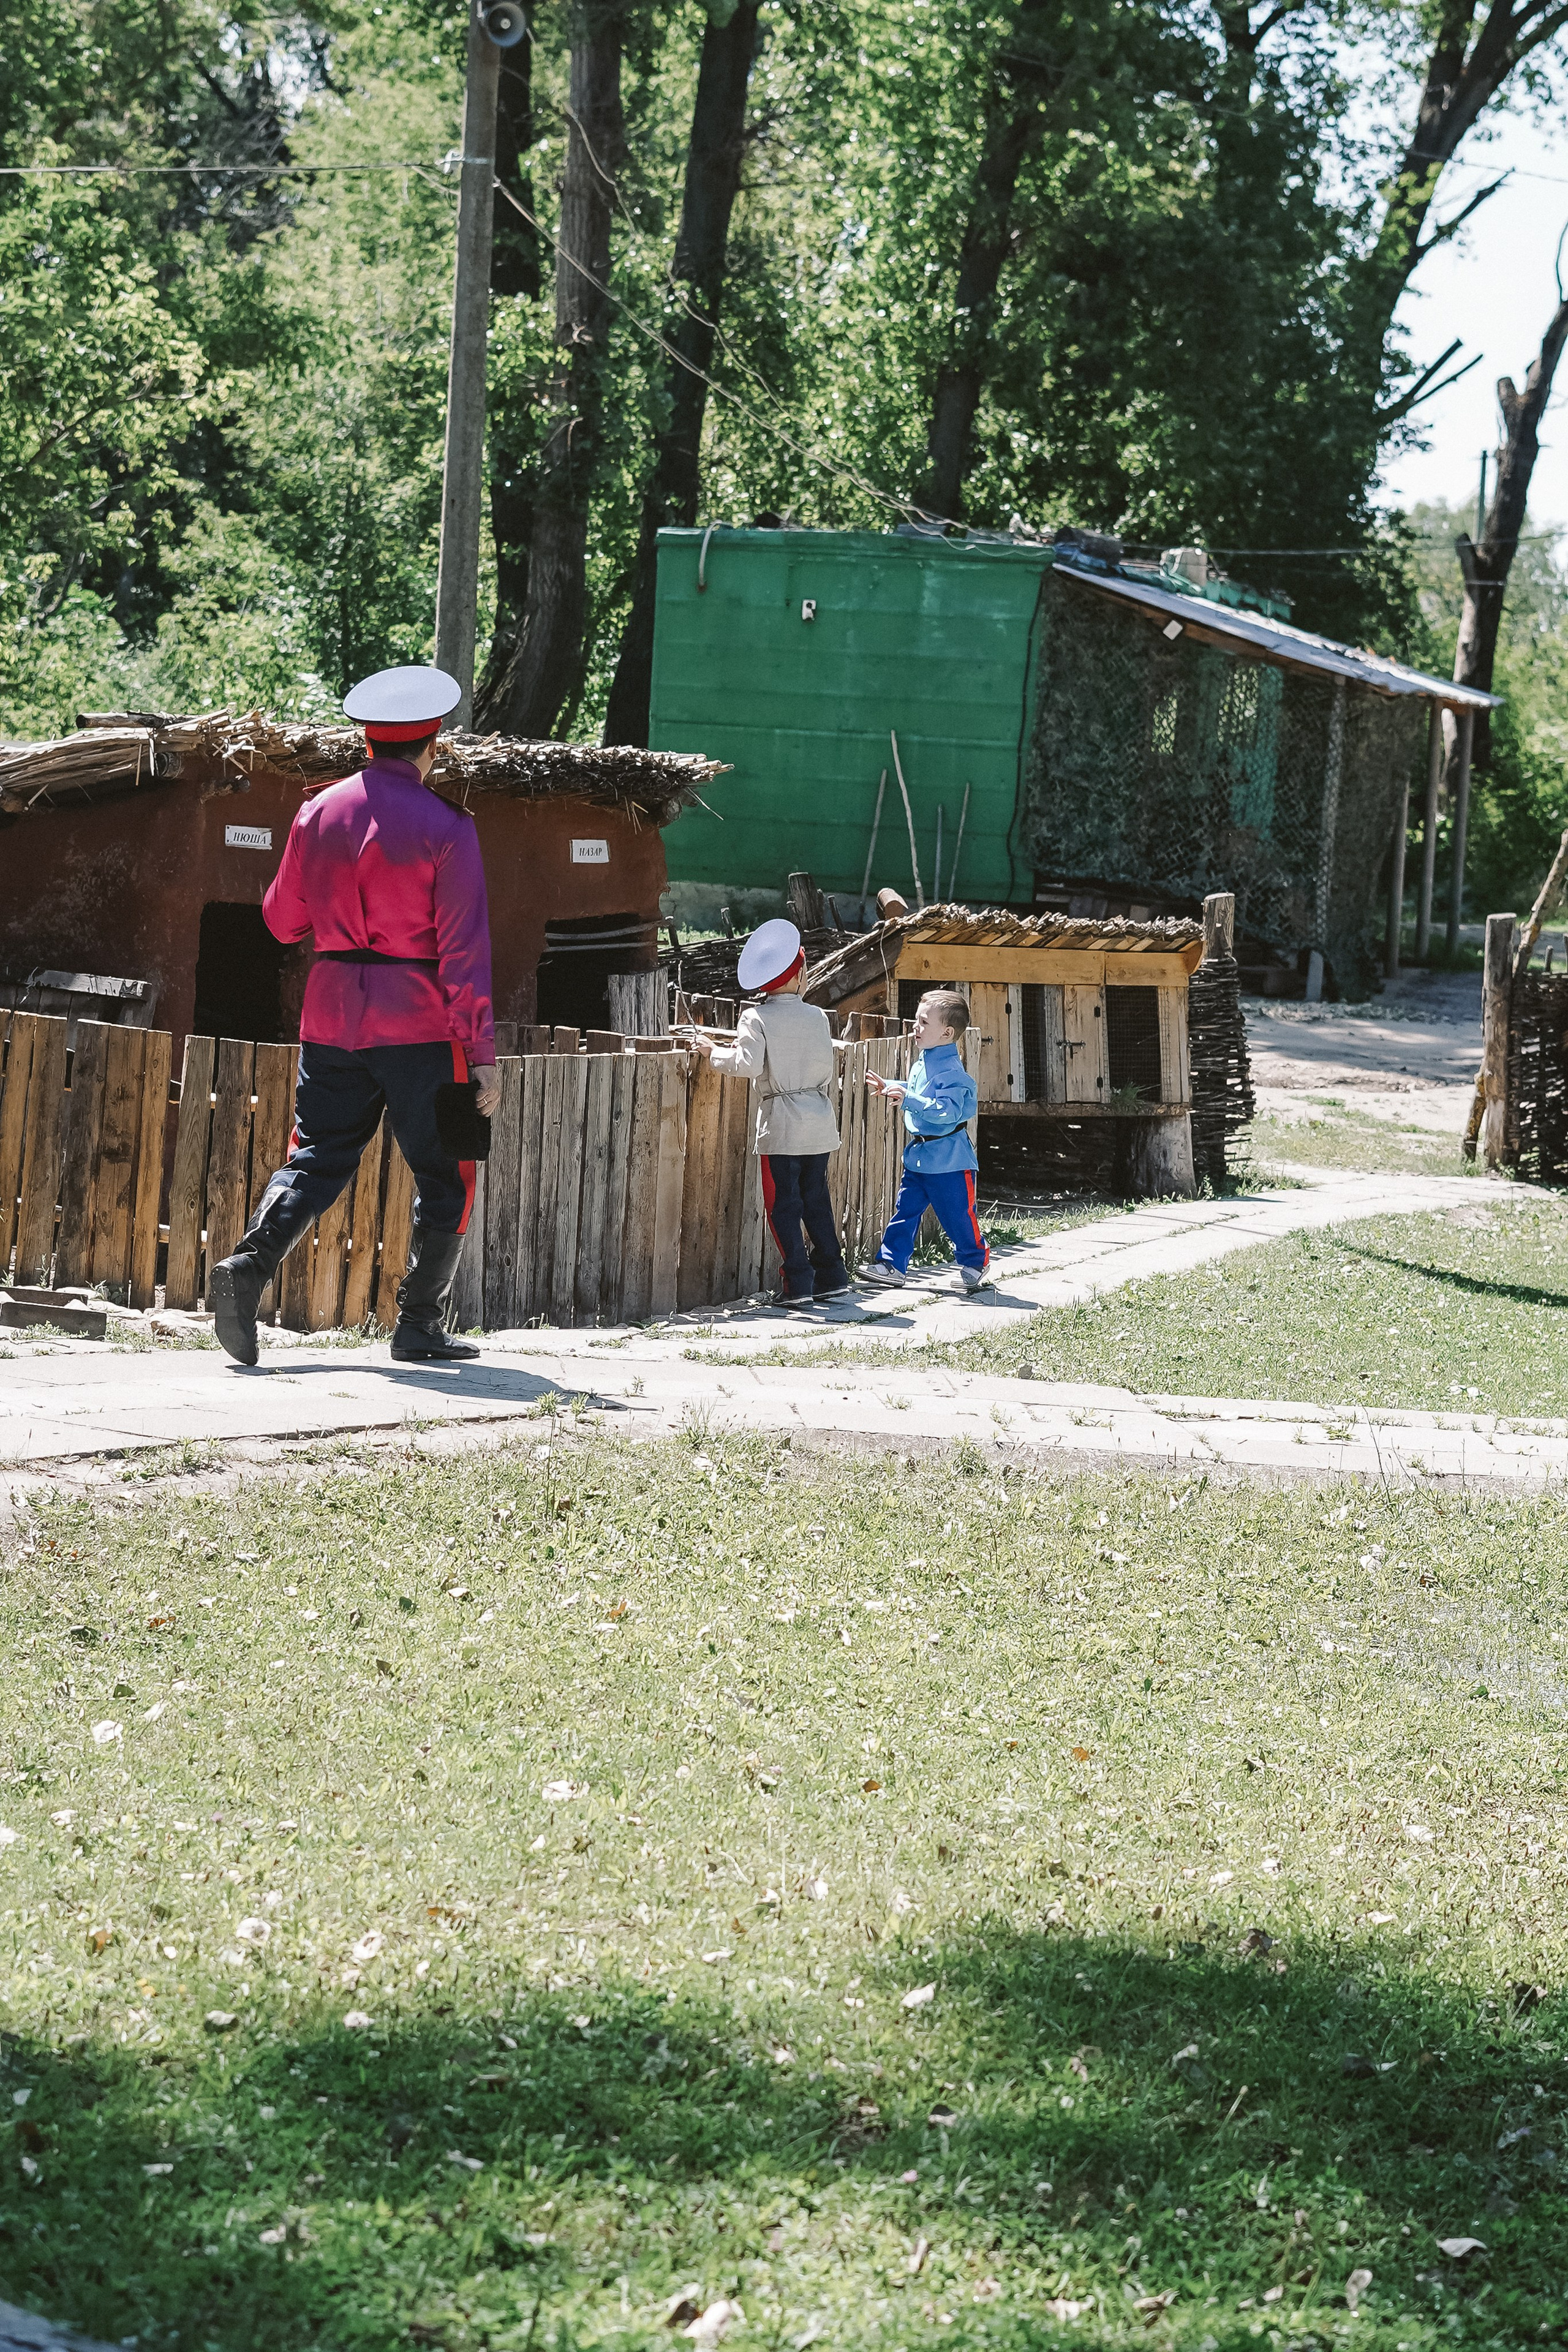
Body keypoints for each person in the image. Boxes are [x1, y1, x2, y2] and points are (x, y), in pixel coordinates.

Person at [208, 665, 501, 1368]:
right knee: (449, 1170)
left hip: (333, 1014)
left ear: (367, 741)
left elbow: (282, 923)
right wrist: (483, 1052)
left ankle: (248, 1266)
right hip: (423, 1023)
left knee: (315, 1155)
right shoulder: (449, 827)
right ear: (433, 743)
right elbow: (464, 952)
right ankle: (419, 1326)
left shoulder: (317, 812)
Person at [692, 918, 850, 1306]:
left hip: (781, 1126)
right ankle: (832, 1275)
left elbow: (747, 1065)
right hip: (818, 1122)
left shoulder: (756, 1018)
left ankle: (797, 1283)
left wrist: (714, 1054)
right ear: (799, 975)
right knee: (816, 1199)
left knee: (783, 1205)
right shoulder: (818, 1017)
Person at [859, 987, 989, 1291]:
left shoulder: (953, 1071)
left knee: (958, 1216)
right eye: (916, 1021)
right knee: (905, 1211)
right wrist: (892, 1086)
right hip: (920, 1158)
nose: (915, 1027)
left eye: (923, 1023)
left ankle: (976, 1260)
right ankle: (892, 1265)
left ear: (946, 1033)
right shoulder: (925, 1061)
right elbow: (919, 1093)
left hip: (951, 1163)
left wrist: (908, 1099)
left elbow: (945, 1111)